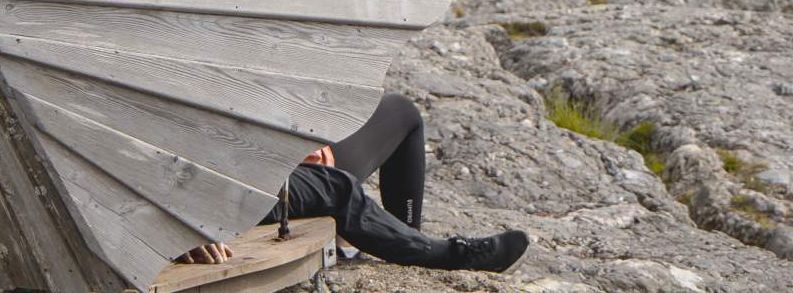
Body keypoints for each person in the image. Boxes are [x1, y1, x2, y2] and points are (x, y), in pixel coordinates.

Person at [173, 92, 530, 273]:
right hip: (211, 191)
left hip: (263, 160)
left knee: (401, 113)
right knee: (337, 187)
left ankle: (404, 238)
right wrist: (176, 223)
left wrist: (297, 140)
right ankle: (447, 255)